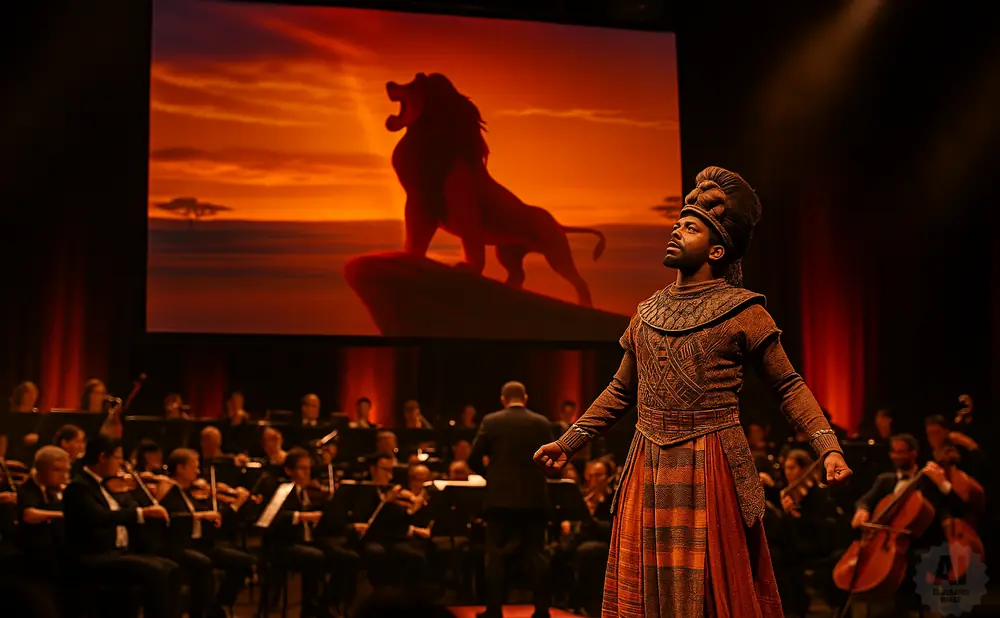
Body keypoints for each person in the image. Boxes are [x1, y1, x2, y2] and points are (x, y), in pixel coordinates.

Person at [533, 166, 852, 617]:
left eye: (691, 226)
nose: (676, 230)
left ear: (717, 249)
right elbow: (621, 392)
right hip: (648, 460)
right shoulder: (645, 313)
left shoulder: (744, 311)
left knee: (708, 590)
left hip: (711, 461)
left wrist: (828, 446)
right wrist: (569, 442)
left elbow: (789, 385)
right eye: (678, 222)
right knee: (646, 588)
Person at [470, 381, 554, 618]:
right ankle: (541, 610)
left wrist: (492, 477)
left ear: (502, 399)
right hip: (534, 498)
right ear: (525, 398)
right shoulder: (541, 423)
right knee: (537, 554)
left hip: (499, 500)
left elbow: (473, 458)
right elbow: (551, 459)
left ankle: (494, 610)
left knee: (495, 555)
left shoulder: (491, 421)